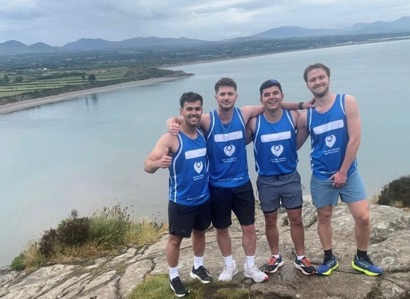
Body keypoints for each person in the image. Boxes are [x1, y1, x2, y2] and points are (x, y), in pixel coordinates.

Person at [167, 78, 311, 283]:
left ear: (236, 96)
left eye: (230, 94)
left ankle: (250, 266)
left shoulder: (244, 113)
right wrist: (171, 123)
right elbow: (180, 118)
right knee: (222, 228)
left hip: (242, 184)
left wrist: (301, 105)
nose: (226, 97)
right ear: (216, 97)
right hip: (217, 186)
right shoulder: (207, 120)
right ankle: (229, 265)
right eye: (222, 94)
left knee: (249, 227)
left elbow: (272, 104)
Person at [296, 63, 383, 276]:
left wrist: (343, 171)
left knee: (362, 216)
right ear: (307, 85)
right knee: (324, 216)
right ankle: (329, 258)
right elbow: (294, 145)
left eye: (321, 77)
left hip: (349, 172)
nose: (317, 82)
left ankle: (361, 258)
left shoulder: (347, 102)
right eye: (312, 79)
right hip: (321, 174)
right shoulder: (306, 116)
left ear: (328, 78)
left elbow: (355, 139)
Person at [144, 92, 212, 297]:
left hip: (203, 197)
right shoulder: (170, 138)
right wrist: (157, 164)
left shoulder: (201, 131)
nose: (194, 113)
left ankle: (197, 267)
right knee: (175, 240)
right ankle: (174, 277)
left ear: (201, 110)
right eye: (189, 109)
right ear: (181, 111)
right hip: (181, 200)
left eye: (197, 108)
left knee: (200, 233)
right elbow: (147, 165)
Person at [246, 79, 316, 276]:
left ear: (282, 96)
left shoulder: (293, 116)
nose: (272, 97)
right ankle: (275, 256)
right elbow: (235, 135)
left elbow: (305, 131)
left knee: (296, 219)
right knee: (270, 220)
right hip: (266, 180)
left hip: (290, 177)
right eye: (267, 94)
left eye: (275, 93)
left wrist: (291, 151)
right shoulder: (254, 121)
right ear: (261, 99)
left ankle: (301, 257)